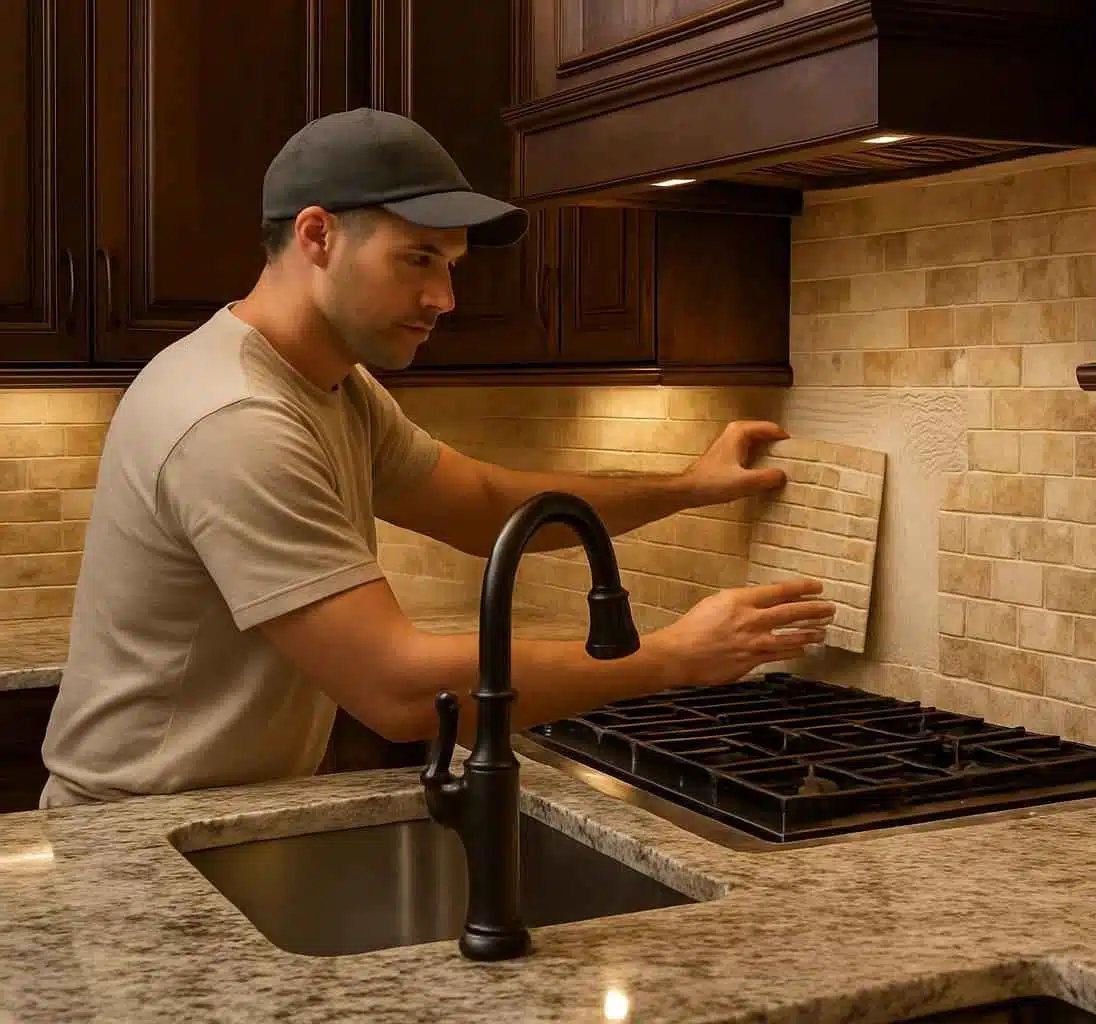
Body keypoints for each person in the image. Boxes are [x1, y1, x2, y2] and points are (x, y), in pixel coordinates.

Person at [37, 108, 833, 809]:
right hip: (134, 834)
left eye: (450, 265)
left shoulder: (333, 385)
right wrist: (668, 659)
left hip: (217, 813)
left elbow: (487, 505)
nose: (445, 299)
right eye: (418, 259)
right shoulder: (237, 419)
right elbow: (397, 688)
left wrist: (688, 485)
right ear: (318, 235)